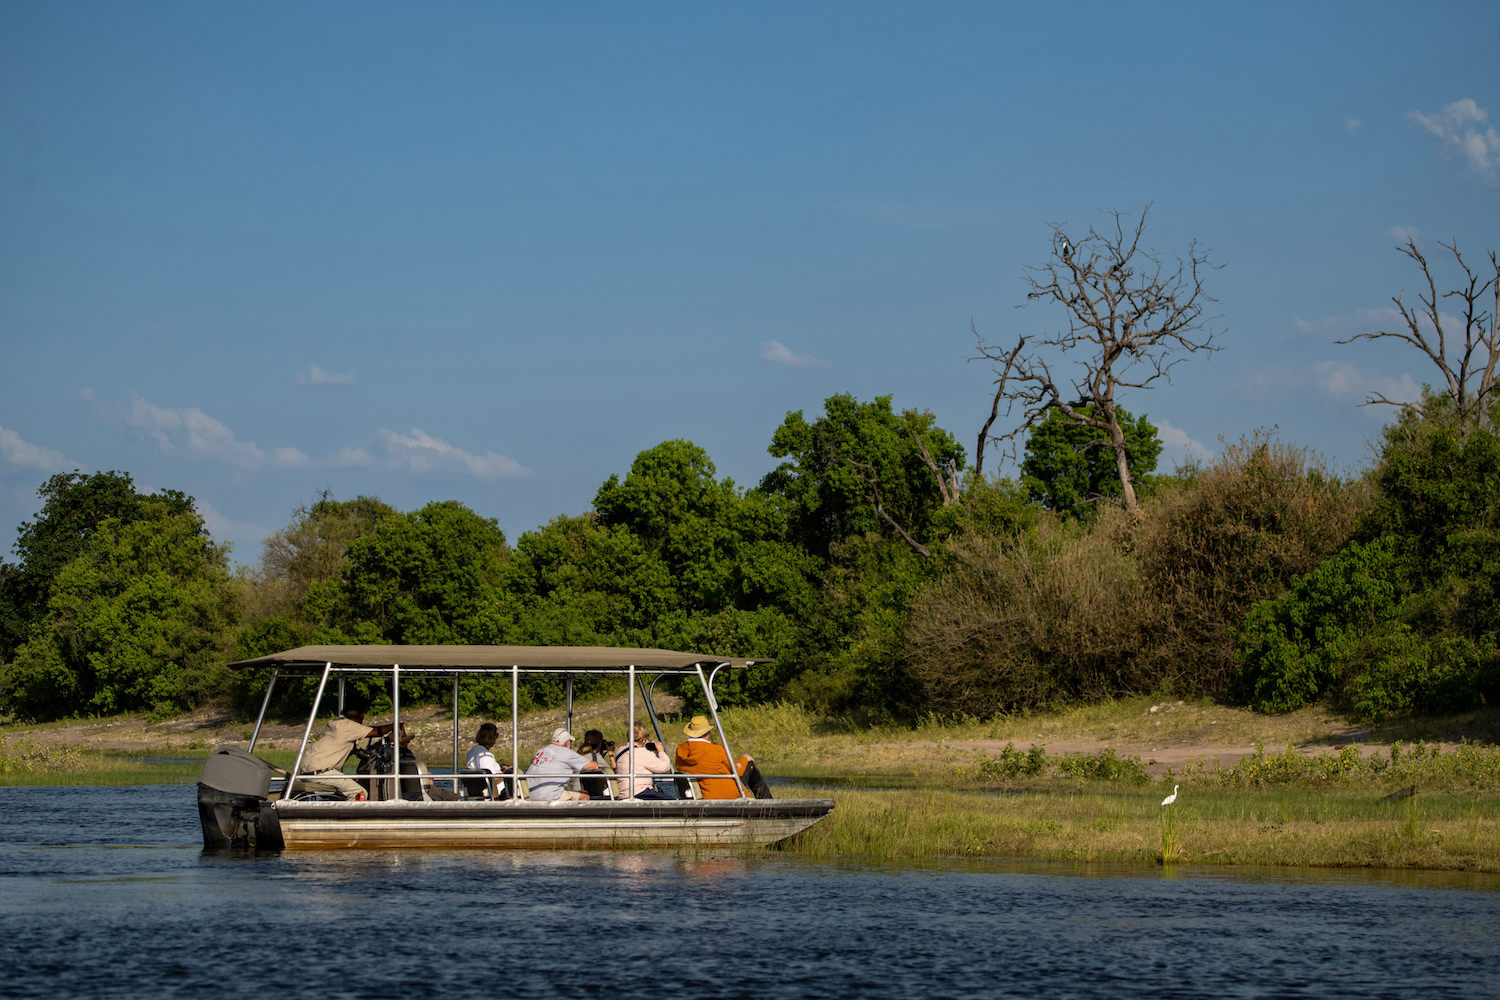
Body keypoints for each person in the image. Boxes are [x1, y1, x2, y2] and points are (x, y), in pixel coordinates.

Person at [298, 704, 397, 801]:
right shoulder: (348, 726)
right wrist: (395, 725)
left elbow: (355, 749)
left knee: (348, 785)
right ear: (361, 716)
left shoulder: (338, 726)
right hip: (322, 773)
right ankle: (351, 816)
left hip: (307, 772)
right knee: (359, 792)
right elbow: (376, 732)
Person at [673, 715, 773, 799]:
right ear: (707, 732)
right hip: (726, 793)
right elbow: (737, 771)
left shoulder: (680, 751)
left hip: (705, 793)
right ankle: (768, 804)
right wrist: (744, 759)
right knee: (749, 764)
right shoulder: (716, 749)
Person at [524, 728, 602, 801]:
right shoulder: (566, 752)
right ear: (566, 742)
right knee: (585, 796)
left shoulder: (541, 751)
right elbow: (593, 766)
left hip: (532, 794)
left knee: (575, 791)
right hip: (551, 796)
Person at [613, 722, 673, 800]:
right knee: (674, 803)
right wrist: (661, 752)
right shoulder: (642, 752)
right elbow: (664, 767)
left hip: (624, 793)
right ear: (644, 739)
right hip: (641, 792)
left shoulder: (620, 750)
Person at [463, 722, 512, 799]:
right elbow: (490, 778)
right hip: (494, 793)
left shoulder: (472, 751)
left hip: (476, 790)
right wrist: (506, 773)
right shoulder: (485, 755)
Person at [574, 729, 616, 800]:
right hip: (591, 797)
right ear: (599, 744)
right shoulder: (596, 757)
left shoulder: (577, 756)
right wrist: (611, 756)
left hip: (576, 794)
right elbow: (611, 774)